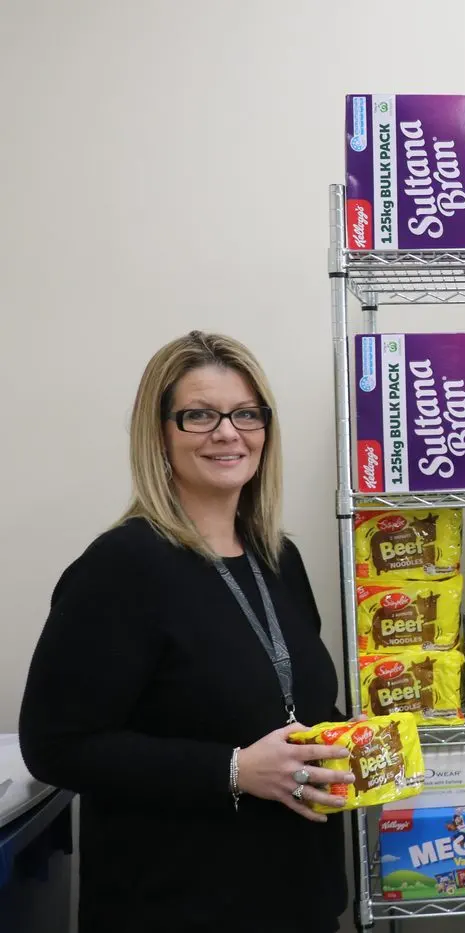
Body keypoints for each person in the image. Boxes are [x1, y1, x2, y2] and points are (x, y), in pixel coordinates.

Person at [19, 332, 349, 933]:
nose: (228, 433)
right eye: (199, 415)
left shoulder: (278, 557)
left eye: (246, 414)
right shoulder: (120, 568)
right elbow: (55, 745)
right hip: (175, 903)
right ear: (160, 433)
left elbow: (289, 700)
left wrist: (352, 743)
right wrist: (232, 769)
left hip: (297, 896)